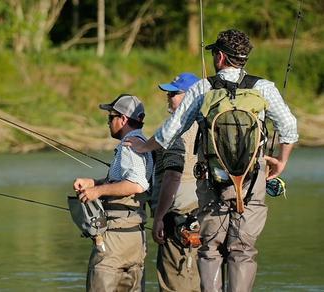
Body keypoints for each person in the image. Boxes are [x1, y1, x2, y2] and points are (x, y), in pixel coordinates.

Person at [125, 29, 298, 291]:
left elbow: (171, 131)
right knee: (243, 250)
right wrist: (281, 161)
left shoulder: (203, 88)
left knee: (211, 249)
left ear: (219, 56)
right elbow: (289, 128)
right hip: (252, 183)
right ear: (243, 59)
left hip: (212, 182)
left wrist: (142, 146)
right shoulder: (263, 87)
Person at [73, 94, 154, 291]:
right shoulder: (143, 143)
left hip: (116, 241)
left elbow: (136, 184)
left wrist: (98, 191)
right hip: (135, 240)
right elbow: (125, 180)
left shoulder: (129, 146)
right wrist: (92, 183)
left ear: (123, 119)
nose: (108, 123)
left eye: (111, 118)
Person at [151, 73, 201, 292]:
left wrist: (159, 217)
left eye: (174, 93)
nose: (168, 97)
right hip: (208, 219)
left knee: (173, 285)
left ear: (190, 96)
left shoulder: (175, 129)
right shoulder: (211, 126)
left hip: (178, 219)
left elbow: (173, 175)